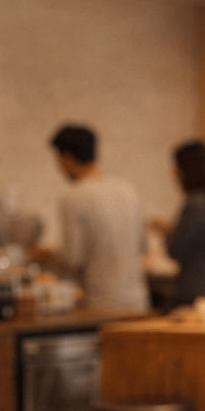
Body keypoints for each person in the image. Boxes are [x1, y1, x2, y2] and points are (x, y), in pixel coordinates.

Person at [45, 124, 150, 312]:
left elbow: (73, 260)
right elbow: (143, 245)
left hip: (101, 302)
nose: (60, 168)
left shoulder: (74, 197)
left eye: (58, 161)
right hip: (138, 300)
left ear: (67, 158)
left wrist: (45, 258)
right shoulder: (127, 189)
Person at [153, 140, 205, 307]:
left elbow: (175, 251)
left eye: (177, 168)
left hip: (195, 294)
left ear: (186, 171)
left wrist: (167, 231)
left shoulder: (195, 204)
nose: (173, 173)